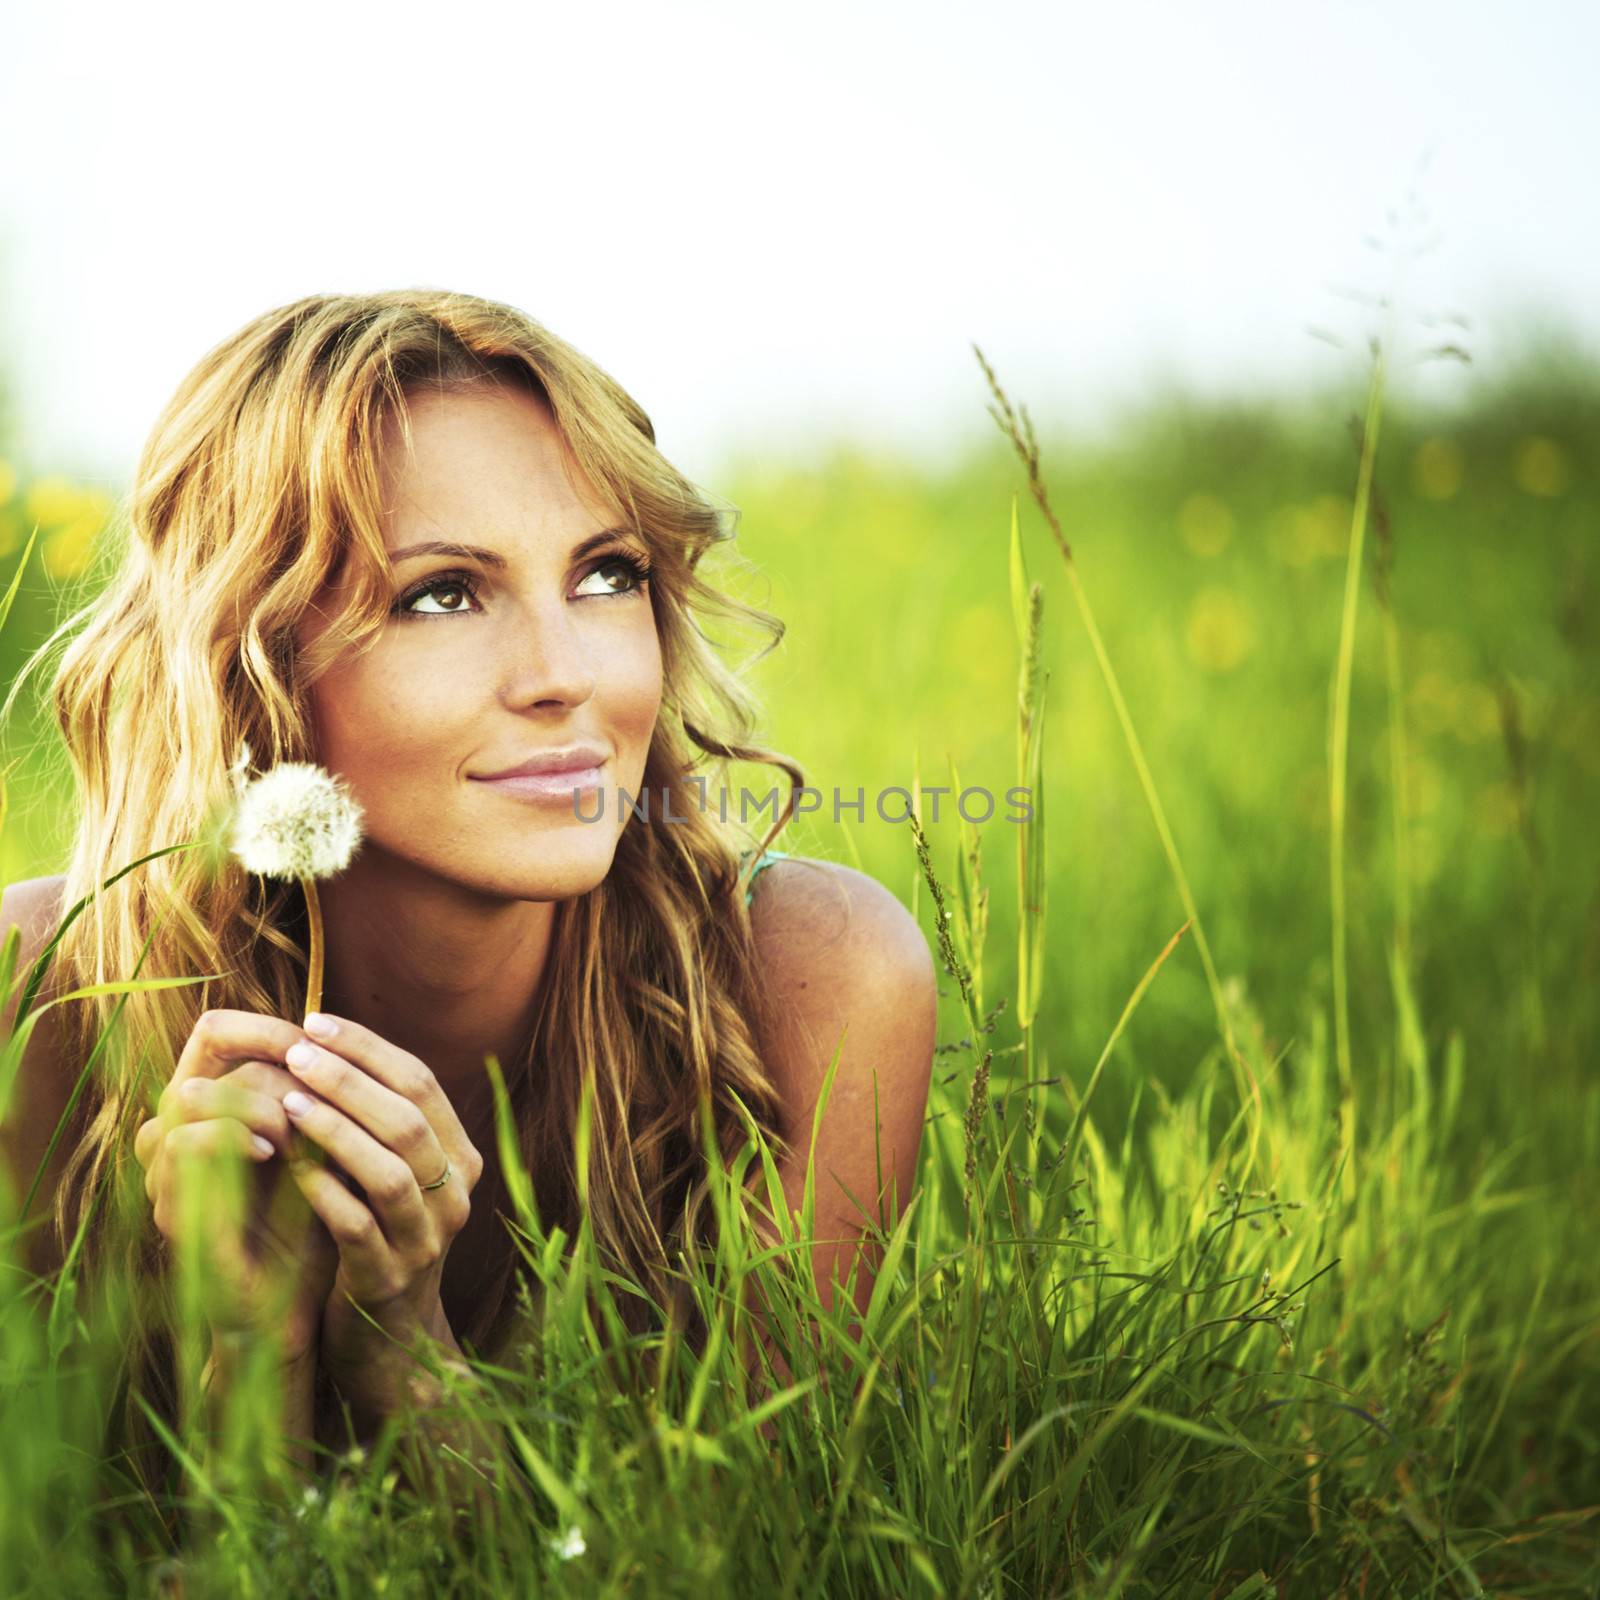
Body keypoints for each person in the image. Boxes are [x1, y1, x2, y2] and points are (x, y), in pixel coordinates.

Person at [0, 289, 938, 1498]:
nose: (567, 676)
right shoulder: (40, 1010)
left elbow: (745, 1557)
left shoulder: (806, 982)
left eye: (606, 575)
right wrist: (252, 1354)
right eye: (442, 593)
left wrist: (407, 1353)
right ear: (251, 660)